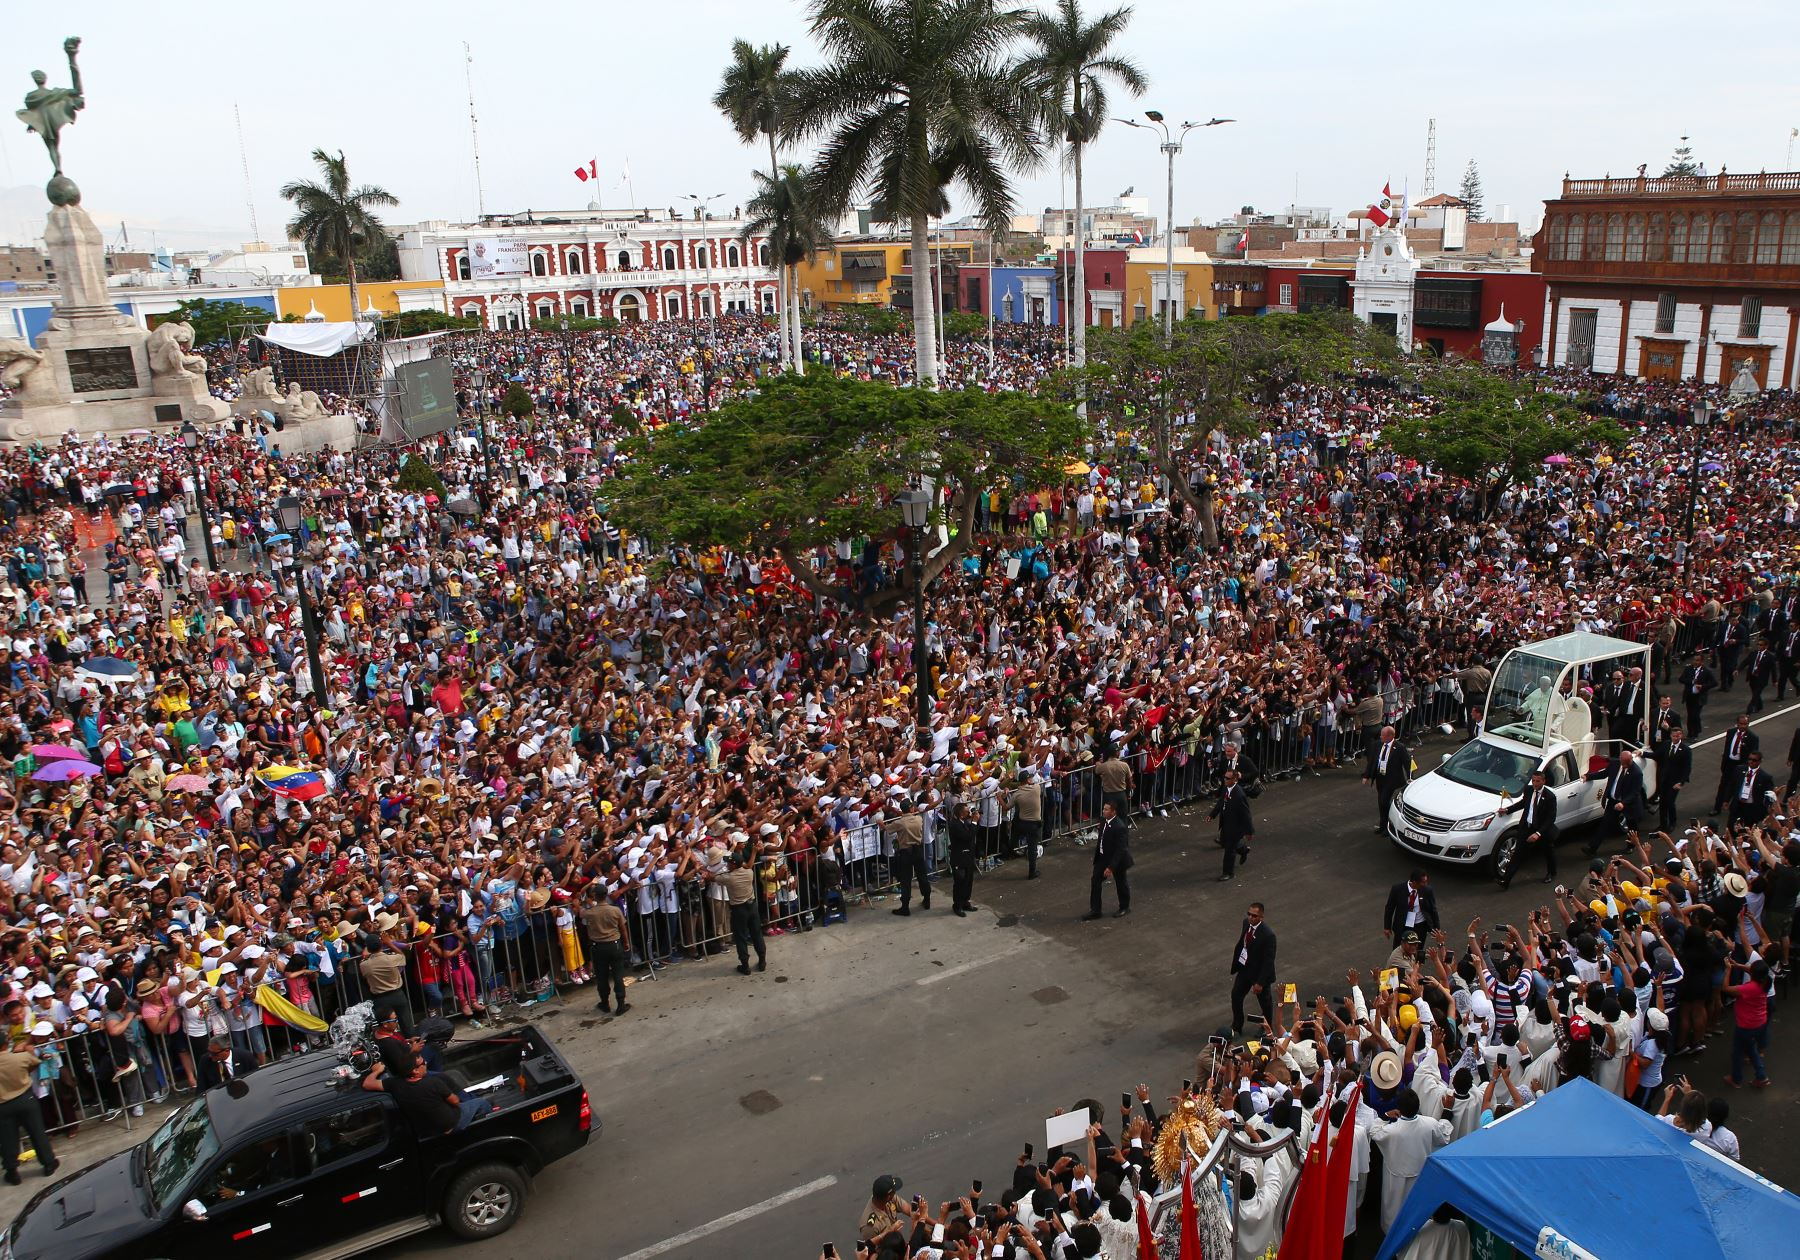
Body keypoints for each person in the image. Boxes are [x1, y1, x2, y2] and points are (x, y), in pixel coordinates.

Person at [1366, 1089, 1452, 1233]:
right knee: (1416, 1212)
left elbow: (1374, 1132)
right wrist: (1447, 1110)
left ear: (1399, 1108)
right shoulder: (1429, 1124)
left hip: (1396, 1178)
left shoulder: (1392, 1130)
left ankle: (1391, 1235)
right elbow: (1444, 1135)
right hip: (1419, 1176)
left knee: (1394, 1212)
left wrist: (1385, 1116)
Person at [362, 1054, 493, 1134]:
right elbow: (455, 1101)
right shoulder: (433, 1082)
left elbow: (367, 1083)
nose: (426, 1064)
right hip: (451, 1124)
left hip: (425, 1129)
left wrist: (377, 1071)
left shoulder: (394, 1084)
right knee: (481, 1103)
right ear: (415, 1071)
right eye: (422, 1064)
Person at [0, 1034, 54, 1184]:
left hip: (3, 1104)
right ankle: (49, 1163)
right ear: (7, 1042)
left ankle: (12, 1171)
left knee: (7, 1139)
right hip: (25, 1098)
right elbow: (35, 1062)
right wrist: (29, 1051)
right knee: (37, 1132)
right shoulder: (20, 1057)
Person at [1501, 768, 1560, 887]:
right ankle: (1505, 881)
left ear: (1543, 781)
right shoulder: (1528, 790)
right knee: (1517, 854)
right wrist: (1507, 810)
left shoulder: (1550, 797)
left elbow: (1550, 818)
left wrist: (1538, 833)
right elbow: (1523, 803)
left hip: (1542, 830)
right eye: (1533, 781)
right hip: (1526, 827)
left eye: (1538, 781)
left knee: (1548, 852)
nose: (1535, 783)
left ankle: (1551, 873)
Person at [1721, 957, 1772, 1088]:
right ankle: (1761, 1076)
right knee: (1751, 1048)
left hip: (1746, 1025)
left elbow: (1725, 988)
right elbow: (1752, 971)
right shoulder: (1767, 980)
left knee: (1737, 1052)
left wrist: (1728, 969)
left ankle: (1736, 1079)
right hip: (1760, 1022)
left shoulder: (1748, 988)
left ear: (1754, 974)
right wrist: (1737, 964)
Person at [1582, 749, 1645, 856]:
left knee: (1632, 826)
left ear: (1631, 760)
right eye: (1622, 762)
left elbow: (1634, 792)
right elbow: (1604, 774)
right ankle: (1592, 848)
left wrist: (1623, 803)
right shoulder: (1615, 764)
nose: (1624, 765)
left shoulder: (1637, 773)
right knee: (1605, 823)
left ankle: (1631, 846)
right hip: (1613, 801)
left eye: (1626, 763)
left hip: (1629, 804)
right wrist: (1588, 776)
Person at [580, 885, 631, 1015]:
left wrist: (582, 902)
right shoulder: (615, 910)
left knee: (602, 977)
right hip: (614, 944)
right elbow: (623, 928)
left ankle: (605, 1003)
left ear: (595, 896)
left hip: (598, 947)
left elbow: (580, 913)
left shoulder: (591, 912)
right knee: (618, 975)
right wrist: (626, 942)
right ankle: (620, 1004)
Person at [359, 914, 413, 1035]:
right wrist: (389, 943)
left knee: (385, 1028)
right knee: (407, 1024)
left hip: (380, 999)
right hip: (397, 994)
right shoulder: (391, 959)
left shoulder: (364, 965)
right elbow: (402, 957)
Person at [1228, 902, 1276, 1035]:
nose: (1250, 917)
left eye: (1254, 916)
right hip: (1245, 969)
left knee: (1265, 1002)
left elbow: (1268, 961)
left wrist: (1260, 982)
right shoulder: (1246, 923)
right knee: (1236, 995)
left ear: (1261, 917)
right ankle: (1237, 1025)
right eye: (1249, 914)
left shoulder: (1268, 935)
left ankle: (1266, 1027)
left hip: (1259, 974)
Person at [1084, 800, 1132, 920]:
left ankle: (1124, 907)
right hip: (1102, 857)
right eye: (1103, 809)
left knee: (1121, 883)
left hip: (1118, 861)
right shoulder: (1103, 820)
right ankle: (1095, 910)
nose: (1103, 811)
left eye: (1106, 809)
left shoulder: (1119, 827)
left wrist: (1111, 867)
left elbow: (1120, 850)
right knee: (1095, 881)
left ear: (1113, 812)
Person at [723, 848, 766, 975]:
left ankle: (745, 965)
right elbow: (749, 865)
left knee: (740, 937)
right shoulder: (749, 873)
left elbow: (713, 878)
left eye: (729, 863)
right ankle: (762, 960)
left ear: (734, 864)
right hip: (752, 906)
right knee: (757, 934)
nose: (727, 865)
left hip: (738, 909)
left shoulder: (728, 877)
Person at [1210, 767, 1255, 882]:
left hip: (1235, 827)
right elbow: (1221, 802)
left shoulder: (1239, 795)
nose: (1224, 780)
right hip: (1226, 824)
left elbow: (1246, 815)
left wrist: (1249, 832)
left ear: (1235, 779)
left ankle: (1228, 873)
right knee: (1224, 842)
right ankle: (1243, 850)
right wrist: (1212, 814)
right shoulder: (1226, 788)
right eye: (1224, 777)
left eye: (1227, 778)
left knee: (1229, 851)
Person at [886, 801, 930, 916]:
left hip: (905, 852)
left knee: (906, 880)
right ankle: (927, 899)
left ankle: (905, 907)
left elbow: (887, 829)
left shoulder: (899, 822)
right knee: (922, 876)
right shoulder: (918, 819)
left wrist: (881, 824)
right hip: (918, 850)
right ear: (911, 808)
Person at [1363, 726, 1409, 835]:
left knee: (1384, 801)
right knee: (1381, 802)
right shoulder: (1378, 744)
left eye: (1383, 735)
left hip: (1391, 779)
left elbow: (1407, 763)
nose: (1380, 737)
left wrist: (1410, 778)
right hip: (1380, 777)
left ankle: (1390, 825)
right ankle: (1383, 825)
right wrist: (1366, 775)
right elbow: (1372, 761)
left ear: (1390, 736)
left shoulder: (1400, 747)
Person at [1712, 715, 1760, 816]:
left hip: (1741, 765)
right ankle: (1717, 807)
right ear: (1737, 724)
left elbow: (1754, 754)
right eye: (1741, 724)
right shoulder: (1731, 732)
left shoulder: (1753, 737)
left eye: (1745, 724)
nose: (1743, 726)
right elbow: (1727, 748)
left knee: (1737, 787)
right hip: (1729, 763)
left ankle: (1735, 808)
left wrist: (1748, 767)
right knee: (1723, 786)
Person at [1654, 724, 1692, 831]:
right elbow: (1656, 755)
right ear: (1671, 736)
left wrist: (1681, 782)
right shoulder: (1666, 744)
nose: (1676, 738)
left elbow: (1687, 768)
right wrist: (1642, 754)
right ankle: (1662, 824)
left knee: (1670, 802)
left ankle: (1672, 823)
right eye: (1674, 736)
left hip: (1675, 781)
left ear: (1681, 736)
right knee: (1662, 803)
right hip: (1664, 779)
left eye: (1678, 736)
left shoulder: (1685, 750)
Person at [946, 800, 980, 917]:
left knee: (968, 880)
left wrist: (973, 822)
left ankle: (966, 901)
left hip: (968, 857)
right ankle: (957, 905)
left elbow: (971, 831)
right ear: (961, 814)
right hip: (959, 858)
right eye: (967, 812)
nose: (969, 813)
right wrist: (974, 822)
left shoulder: (964, 822)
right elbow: (968, 836)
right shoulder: (955, 825)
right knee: (960, 882)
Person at [1383, 869, 1440, 938]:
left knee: (1418, 948)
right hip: (1403, 926)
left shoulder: (1427, 890)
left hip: (1420, 926)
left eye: (1426, 881)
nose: (1426, 884)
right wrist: (1387, 927)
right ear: (1415, 882)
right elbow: (1390, 908)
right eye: (1423, 882)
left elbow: (1433, 909)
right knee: (1400, 947)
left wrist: (1437, 929)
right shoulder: (1397, 889)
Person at [1727, 751, 1775, 830]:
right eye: (1749, 759)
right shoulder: (1739, 769)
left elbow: (1768, 796)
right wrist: (1726, 800)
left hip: (1751, 808)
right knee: (1730, 826)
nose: (1751, 761)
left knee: (1747, 830)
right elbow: (1732, 785)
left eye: (1754, 760)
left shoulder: (1765, 777)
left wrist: (1765, 812)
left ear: (1760, 761)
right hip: (1738, 804)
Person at [1008, 773, 1042, 879]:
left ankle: (1009, 852)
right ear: (1028, 780)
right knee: (1032, 848)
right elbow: (1034, 783)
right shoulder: (1036, 788)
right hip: (1034, 824)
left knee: (1015, 835)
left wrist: (999, 797)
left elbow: (1006, 807)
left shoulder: (1017, 794)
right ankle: (1032, 872)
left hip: (1023, 823)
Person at [1679, 652, 1717, 737]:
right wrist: (1691, 682)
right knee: (1690, 715)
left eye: (1698, 660)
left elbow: (1714, 683)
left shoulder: (1707, 671)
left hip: (1699, 697)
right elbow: (1681, 679)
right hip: (1689, 696)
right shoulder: (1688, 669)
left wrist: (1703, 686)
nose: (1695, 662)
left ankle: (1695, 733)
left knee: (1695, 715)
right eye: (1694, 660)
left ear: (1702, 661)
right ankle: (1690, 732)